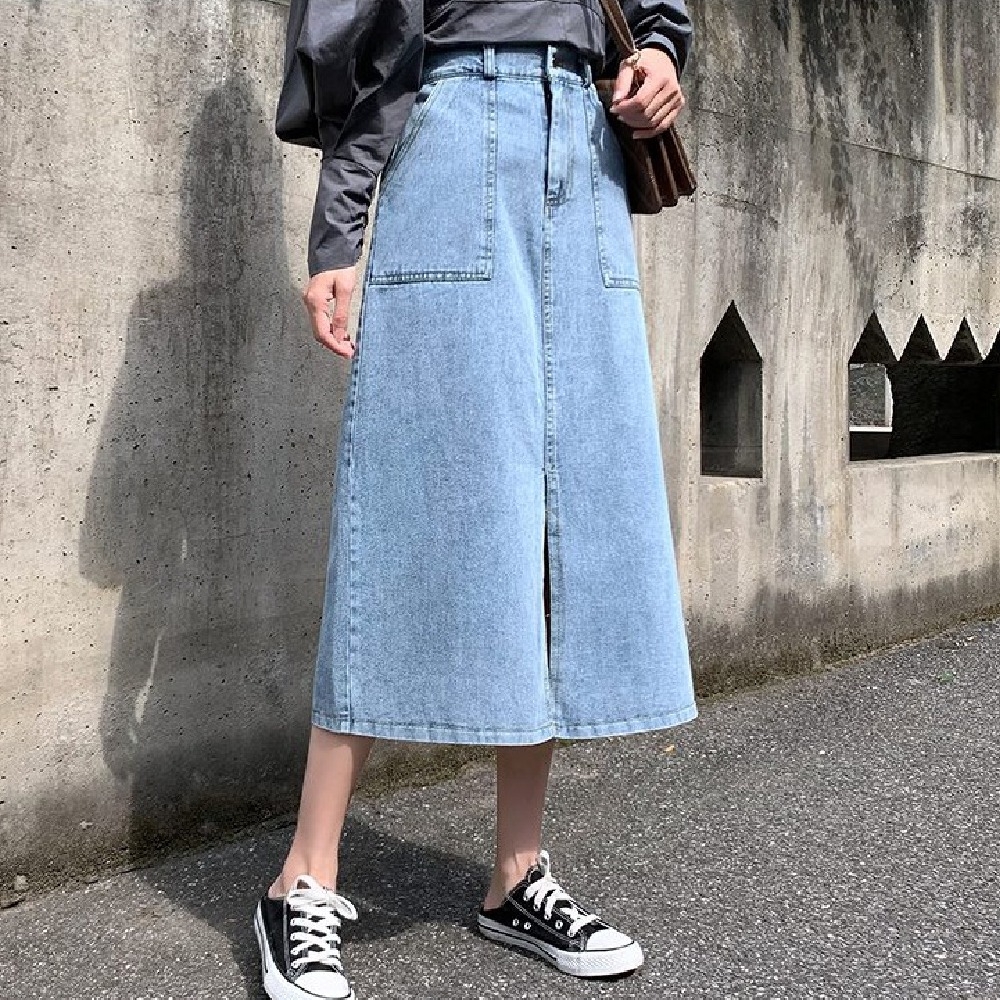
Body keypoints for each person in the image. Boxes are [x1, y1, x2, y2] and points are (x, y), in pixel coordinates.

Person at [254, 2, 698, 998]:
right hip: (455, 131)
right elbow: (362, 38)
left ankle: (514, 875)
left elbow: (657, 11)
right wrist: (338, 232)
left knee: (553, 526)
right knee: (402, 514)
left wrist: (664, 52)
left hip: (583, 150)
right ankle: (302, 878)